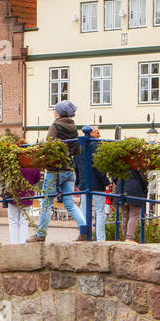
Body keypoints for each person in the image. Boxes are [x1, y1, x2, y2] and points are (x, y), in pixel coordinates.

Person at [33, 101, 89, 242]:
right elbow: (76, 149)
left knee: (46, 202)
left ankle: (41, 234)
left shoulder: (55, 126)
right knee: (69, 203)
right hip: (69, 170)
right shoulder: (73, 128)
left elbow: (50, 147)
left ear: (59, 113)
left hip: (55, 171)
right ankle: (84, 230)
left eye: (55, 110)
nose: (54, 112)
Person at [79, 127, 112, 241]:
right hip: (97, 184)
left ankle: (84, 234)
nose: (99, 135)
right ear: (92, 133)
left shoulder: (80, 146)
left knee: (84, 210)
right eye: (98, 132)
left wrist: (79, 182)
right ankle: (100, 239)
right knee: (100, 211)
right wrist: (107, 182)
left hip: (84, 184)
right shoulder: (97, 146)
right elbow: (98, 167)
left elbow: (76, 166)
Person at [3, 164, 42, 244]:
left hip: (13, 196)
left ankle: (13, 243)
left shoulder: (12, 163)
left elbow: (5, 174)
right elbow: (37, 178)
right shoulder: (33, 165)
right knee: (24, 221)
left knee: (13, 221)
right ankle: (22, 243)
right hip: (27, 196)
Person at [121, 166, 149, 243]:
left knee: (125, 215)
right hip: (135, 190)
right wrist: (145, 188)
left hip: (121, 189)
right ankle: (129, 238)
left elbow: (114, 176)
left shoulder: (119, 160)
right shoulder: (137, 162)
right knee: (134, 215)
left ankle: (125, 238)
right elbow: (144, 179)